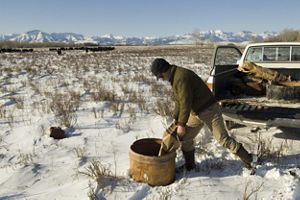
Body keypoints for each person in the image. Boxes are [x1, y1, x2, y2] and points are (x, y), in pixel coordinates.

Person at [150, 58, 253, 171]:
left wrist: (181, 124)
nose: (161, 79)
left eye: (160, 76)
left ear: (165, 70)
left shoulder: (180, 77)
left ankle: (249, 160)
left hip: (210, 110)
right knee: (186, 138)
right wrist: (176, 118)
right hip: (196, 112)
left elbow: (185, 102)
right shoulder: (175, 77)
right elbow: (178, 101)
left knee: (222, 139)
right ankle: (190, 166)